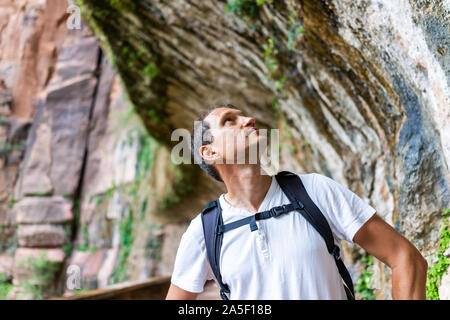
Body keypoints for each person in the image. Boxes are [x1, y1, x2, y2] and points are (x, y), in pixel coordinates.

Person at [165, 103, 427, 300]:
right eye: (230, 121)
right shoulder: (204, 231)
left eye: (242, 115)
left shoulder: (314, 191)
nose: (248, 119)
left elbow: (405, 257)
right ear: (210, 152)